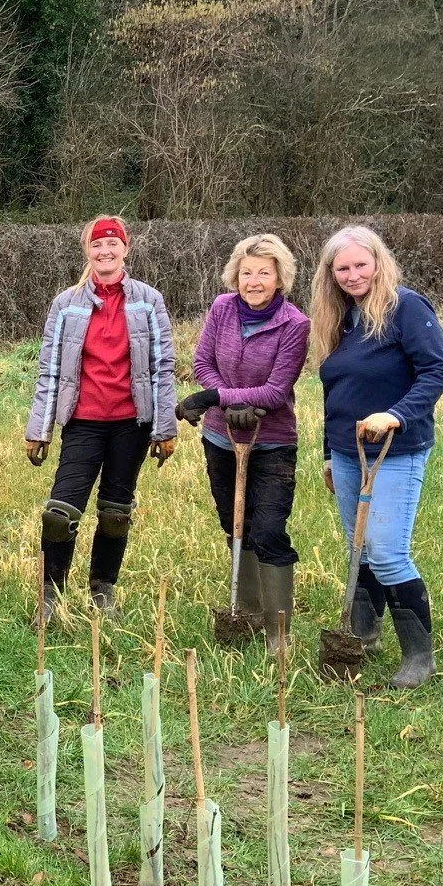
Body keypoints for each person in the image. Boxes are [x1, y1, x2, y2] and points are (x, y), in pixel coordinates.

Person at [309, 224, 443, 688]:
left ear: (379, 262)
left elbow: (435, 372)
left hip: (396, 450)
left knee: (387, 551)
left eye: (360, 265)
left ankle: (419, 657)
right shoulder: (339, 318)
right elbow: (335, 392)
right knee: (360, 549)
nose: (352, 275)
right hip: (348, 453)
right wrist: (328, 453)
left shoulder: (406, 308)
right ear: (331, 274)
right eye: (343, 268)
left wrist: (395, 414)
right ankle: (363, 635)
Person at [23, 217, 178, 616]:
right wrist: (38, 428)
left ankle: (102, 591)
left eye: (113, 244)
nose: (105, 251)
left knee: (115, 512)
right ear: (87, 251)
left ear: (126, 249)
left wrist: (165, 428)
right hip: (83, 422)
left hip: (132, 423)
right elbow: (50, 369)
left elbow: (163, 367)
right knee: (60, 514)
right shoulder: (66, 303)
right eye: (97, 245)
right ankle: (50, 596)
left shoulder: (149, 300)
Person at [176, 233, 312, 654]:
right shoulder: (221, 308)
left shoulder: (295, 324)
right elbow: (203, 362)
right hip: (220, 437)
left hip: (272, 442)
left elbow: (275, 391)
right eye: (246, 272)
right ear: (236, 275)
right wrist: (228, 400)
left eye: (264, 273)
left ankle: (278, 635)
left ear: (280, 278)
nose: (253, 281)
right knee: (234, 523)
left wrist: (217, 398)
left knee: (268, 529)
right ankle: (247, 617)